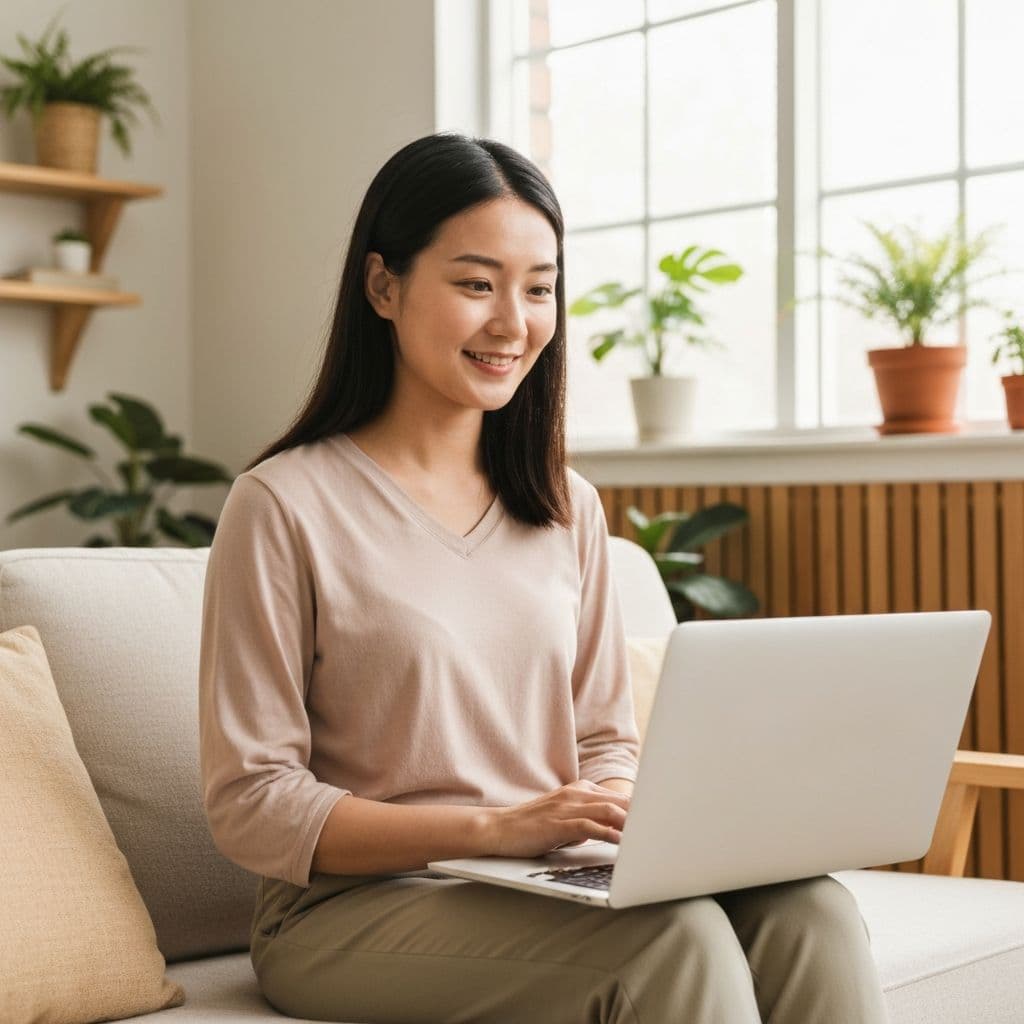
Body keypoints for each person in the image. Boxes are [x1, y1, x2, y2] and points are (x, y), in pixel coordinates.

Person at [197, 130, 890, 1023]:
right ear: (383, 286)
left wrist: (621, 817)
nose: (512, 323)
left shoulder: (569, 507)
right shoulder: (282, 505)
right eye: (476, 283)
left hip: (543, 882)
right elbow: (251, 804)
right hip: (350, 909)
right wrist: (495, 828)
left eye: (539, 288)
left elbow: (606, 741)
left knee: (813, 913)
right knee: (672, 943)